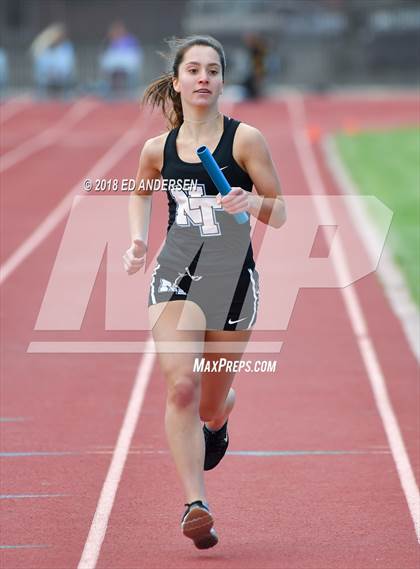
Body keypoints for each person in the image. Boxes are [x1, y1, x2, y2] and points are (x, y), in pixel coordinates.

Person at [123, 35, 286, 549]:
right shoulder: (157, 149)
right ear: (177, 81)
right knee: (181, 388)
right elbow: (139, 191)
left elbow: (279, 211)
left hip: (233, 282)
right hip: (175, 276)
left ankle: (220, 418)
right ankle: (197, 504)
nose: (203, 78)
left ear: (221, 81)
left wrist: (249, 203)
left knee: (210, 403)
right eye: (193, 70)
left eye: (213, 70)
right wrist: (136, 240)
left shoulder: (244, 141)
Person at [30, 23, 76, 97]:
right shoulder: (43, 51)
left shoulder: (65, 49)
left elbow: (67, 67)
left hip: (61, 80)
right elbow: (40, 67)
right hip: (46, 80)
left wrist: (58, 74)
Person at [99, 21, 143, 97]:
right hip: (114, 69)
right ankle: (113, 92)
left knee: (122, 73)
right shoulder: (111, 43)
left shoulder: (131, 40)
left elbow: (134, 57)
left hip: (127, 68)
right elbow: (108, 59)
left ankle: (126, 92)